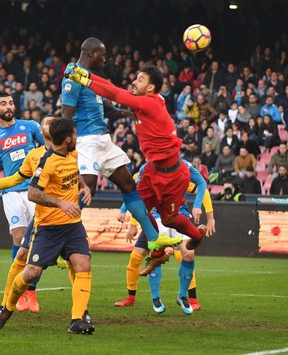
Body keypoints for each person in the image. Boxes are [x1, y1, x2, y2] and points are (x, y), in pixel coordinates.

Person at [66, 63, 206, 273]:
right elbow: (114, 88)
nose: (134, 81)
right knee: (136, 206)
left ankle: (195, 235)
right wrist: (86, 74)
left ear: (150, 88)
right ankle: (157, 253)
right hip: (153, 170)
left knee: (169, 218)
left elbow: (116, 93)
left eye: (140, 79)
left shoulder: (150, 103)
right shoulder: (148, 101)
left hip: (173, 174)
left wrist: (85, 80)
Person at [61, 38, 181, 260]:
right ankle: (58, 233)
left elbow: (108, 109)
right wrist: (65, 147)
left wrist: (126, 113)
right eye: (102, 55)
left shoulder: (90, 78)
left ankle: (154, 238)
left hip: (103, 141)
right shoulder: (73, 78)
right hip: (86, 140)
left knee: (128, 184)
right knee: (88, 189)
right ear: (90, 53)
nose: (105, 59)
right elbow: (65, 116)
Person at [0, 115, 91, 321]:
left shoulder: (70, 152)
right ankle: (5, 305)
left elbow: (74, 173)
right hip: (43, 215)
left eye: (53, 121)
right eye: (46, 122)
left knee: (77, 261)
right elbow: (15, 179)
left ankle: (81, 311)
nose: (50, 123)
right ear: (42, 131)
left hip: (64, 218)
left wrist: (84, 186)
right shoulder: (36, 156)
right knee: (21, 255)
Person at [115, 162, 215, 314]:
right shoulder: (146, 168)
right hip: (156, 217)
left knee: (188, 254)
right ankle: (150, 297)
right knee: (151, 253)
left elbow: (202, 183)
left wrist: (199, 207)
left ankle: (185, 296)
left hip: (178, 215)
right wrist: (125, 213)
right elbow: (133, 193)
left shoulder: (183, 167)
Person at [0, 92, 45, 309]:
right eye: (3, 103)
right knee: (19, 239)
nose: (8, 106)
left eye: (10, 102)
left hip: (35, 190)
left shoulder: (30, 126)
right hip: (10, 192)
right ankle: (18, 292)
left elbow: (49, 150)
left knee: (37, 241)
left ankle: (32, 291)